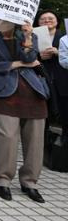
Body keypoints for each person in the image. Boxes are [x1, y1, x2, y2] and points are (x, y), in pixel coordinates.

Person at [0, 19, 49, 203]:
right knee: (7, 137)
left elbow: (31, 58)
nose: (0, 22)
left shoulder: (28, 36)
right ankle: (3, 179)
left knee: (35, 140)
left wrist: (27, 37)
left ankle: (30, 182)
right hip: (5, 93)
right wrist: (20, 64)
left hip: (33, 93)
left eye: (4, 19)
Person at [35, 10, 68, 138]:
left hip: (63, 80)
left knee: (64, 111)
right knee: (44, 113)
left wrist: (59, 52)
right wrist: (39, 55)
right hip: (42, 79)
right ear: (38, 22)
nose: (47, 20)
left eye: (50, 18)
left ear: (57, 21)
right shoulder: (32, 37)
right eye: (43, 19)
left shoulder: (64, 37)